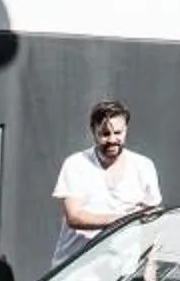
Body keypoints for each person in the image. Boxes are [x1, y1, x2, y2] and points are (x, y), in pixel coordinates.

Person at [51, 99, 162, 265]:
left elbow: (153, 224)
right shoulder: (76, 164)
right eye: (105, 134)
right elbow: (74, 217)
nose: (112, 139)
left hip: (121, 271)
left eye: (118, 133)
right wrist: (123, 219)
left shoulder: (144, 166)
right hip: (75, 270)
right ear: (93, 131)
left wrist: (150, 270)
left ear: (126, 130)